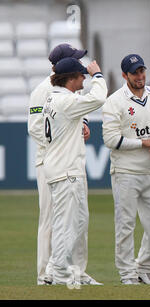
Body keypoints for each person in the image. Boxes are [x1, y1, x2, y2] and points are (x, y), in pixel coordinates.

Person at [28, 43, 98, 285]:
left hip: (71, 160)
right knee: (51, 219)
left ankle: (76, 271)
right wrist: (58, 148)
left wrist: (83, 124)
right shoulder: (42, 90)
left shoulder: (70, 88)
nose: (80, 64)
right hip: (51, 162)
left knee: (79, 219)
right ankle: (45, 274)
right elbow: (35, 127)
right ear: (62, 65)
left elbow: (73, 115)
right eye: (75, 59)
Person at [102, 54, 150, 285]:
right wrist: (145, 142)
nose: (140, 76)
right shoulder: (114, 101)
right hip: (125, 172)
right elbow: (110, 139)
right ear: (124, 75)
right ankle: (127, 274)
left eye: (142, 71)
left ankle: (144, 268)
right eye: (134, 73)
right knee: (126, 224)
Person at [42, 57, 107, 285]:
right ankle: (59, 273)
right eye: (81, 75)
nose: (84, 78)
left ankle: (56, 269)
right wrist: (98, 75)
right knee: (66, 224)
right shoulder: (65, 102)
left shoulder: (56, 98)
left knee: (78, 222)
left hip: (65, 168)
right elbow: (99, 97)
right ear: (70, 79)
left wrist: (82, 124)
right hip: (66, 170)